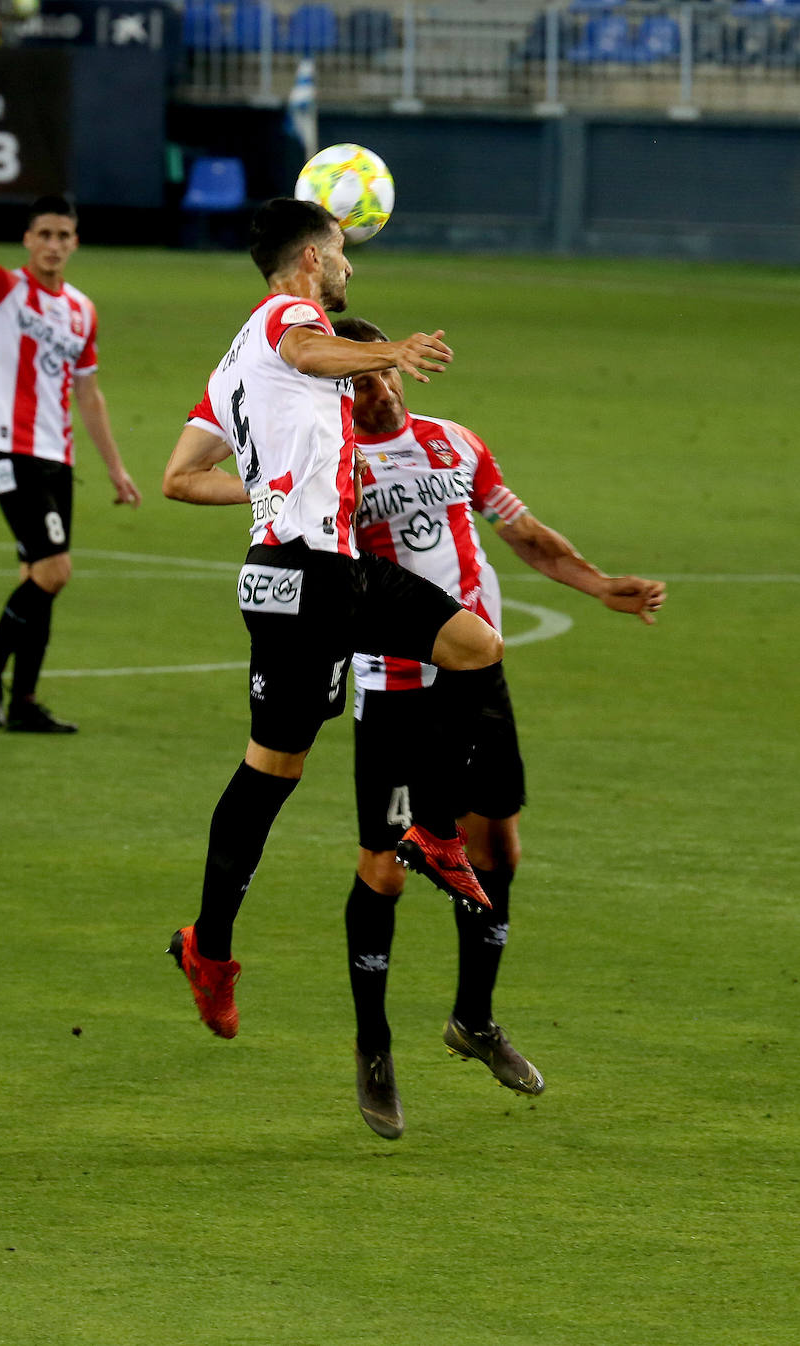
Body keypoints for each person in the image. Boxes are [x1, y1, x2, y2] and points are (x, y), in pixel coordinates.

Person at [161, 198, 504, 1043]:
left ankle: (209, 947)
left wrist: (271, 481)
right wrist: (390, 351)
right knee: (475, 646)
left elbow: (178, 475)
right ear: (312, 257)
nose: (350, 267)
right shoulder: (288, 316)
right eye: (343, 252)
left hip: (280, 574)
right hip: (316, 573)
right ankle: (431, 827)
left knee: (271, 772)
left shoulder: (230, 361)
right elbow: (307, 346)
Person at [335, 317, 666, 1139]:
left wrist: (596, 584)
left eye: (380, 376)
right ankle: (373, 1046)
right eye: (357, 382)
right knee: (386, 870)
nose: (375, 391)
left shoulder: (455, 443)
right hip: (397, 689)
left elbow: (523, 534)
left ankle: (472, 1020)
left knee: (498, 849)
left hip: (476, 680)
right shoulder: (329, 469)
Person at [0, 139, 142, 733]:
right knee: (54, 571)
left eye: (64, 235)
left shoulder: (83, 310)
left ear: (74, 242)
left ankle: (25, 703)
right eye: (45, 235)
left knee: (42, 577)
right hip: (13, 448)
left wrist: (114, 467)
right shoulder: (6, 291)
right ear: (29, 240)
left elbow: (89, 392)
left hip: (58, 458)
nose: (54, 244)